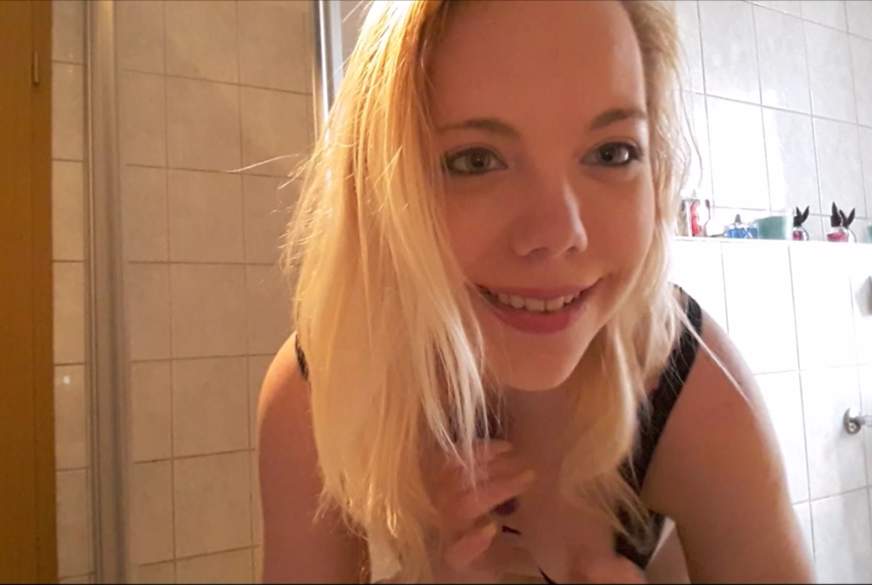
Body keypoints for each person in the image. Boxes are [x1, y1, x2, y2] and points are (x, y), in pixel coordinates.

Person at [257, 1, 816, 583]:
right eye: (476, 160)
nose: (559, 233)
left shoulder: (684, 376)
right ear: (380, 187)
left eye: (612, 153)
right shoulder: (322, 388)